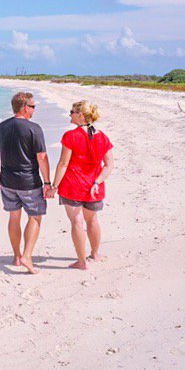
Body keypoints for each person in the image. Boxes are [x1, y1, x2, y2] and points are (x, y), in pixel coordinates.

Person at [0, 91, 52, 274]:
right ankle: (26, 255)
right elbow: (41, 157)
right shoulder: (34, 128)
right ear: (24, 108)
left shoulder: (2, 126)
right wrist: (47, 182)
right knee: (34, 216)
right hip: (29, 182)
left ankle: (17, 256)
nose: (34, 110)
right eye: (33, 106)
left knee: (14, 217)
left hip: (7, 181)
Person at [52, 100, 115, 270]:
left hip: (72, 186)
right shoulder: (102, 137)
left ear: (80, 115)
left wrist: (53, 186)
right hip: (94, 188)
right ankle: (95, 254)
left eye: (72, 112)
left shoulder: (70, 136)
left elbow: (63, 164)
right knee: (92, 220)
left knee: (77, 222)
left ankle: (81, 262)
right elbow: (109, 165)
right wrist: (97, 182)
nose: (69, 115)